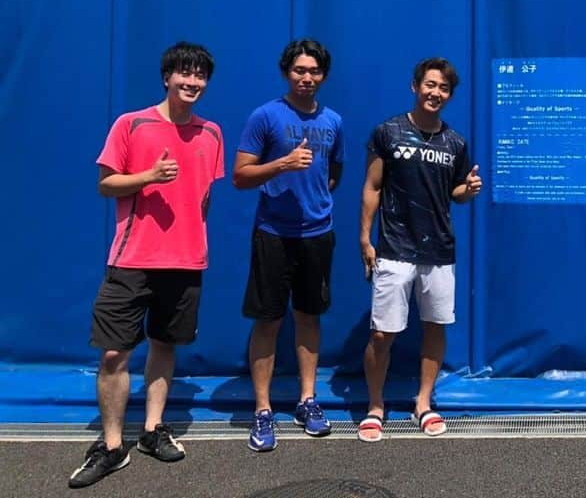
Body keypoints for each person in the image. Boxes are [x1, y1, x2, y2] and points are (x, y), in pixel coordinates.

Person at [69, 43, 224, 489]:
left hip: (186, 262)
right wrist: (148, 178)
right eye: (184, 74)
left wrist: (190, 238)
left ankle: (153, 430)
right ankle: (113, 447)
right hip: (131, 260)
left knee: (164, 344)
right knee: (115, 352)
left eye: (199, 76)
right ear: (166, 77)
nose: (192, 82)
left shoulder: (211, 132)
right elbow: (106, 184)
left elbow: (204, 198)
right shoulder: (131, 124)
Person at [357, 58, 482, 442]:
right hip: (394, 249)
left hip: (439, 252)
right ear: (415, 87)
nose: (436, 93)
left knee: (435, 328)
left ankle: (424, 404)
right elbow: (372, 187)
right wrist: (365, 238)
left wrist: (468, 190)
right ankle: (375, 406)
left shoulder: (455, 142)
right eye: (430, 85)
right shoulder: (388, 132)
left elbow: (456, 193)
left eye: (443, 88)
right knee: (382, 334)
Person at [233, 39, 345, 452]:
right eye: (299, 70)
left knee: (309, 317)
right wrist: (282, 165)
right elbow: (240, 176)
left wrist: (313, 195)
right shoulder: (265, 116)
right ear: (287, 73)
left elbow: (334, 173)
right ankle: (262, 410)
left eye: (314, 71)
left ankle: (307, 400)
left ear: (324, 76)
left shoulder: (333, 120)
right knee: (268, 321)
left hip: (318, 235)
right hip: (273, 235)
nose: (307, 77)